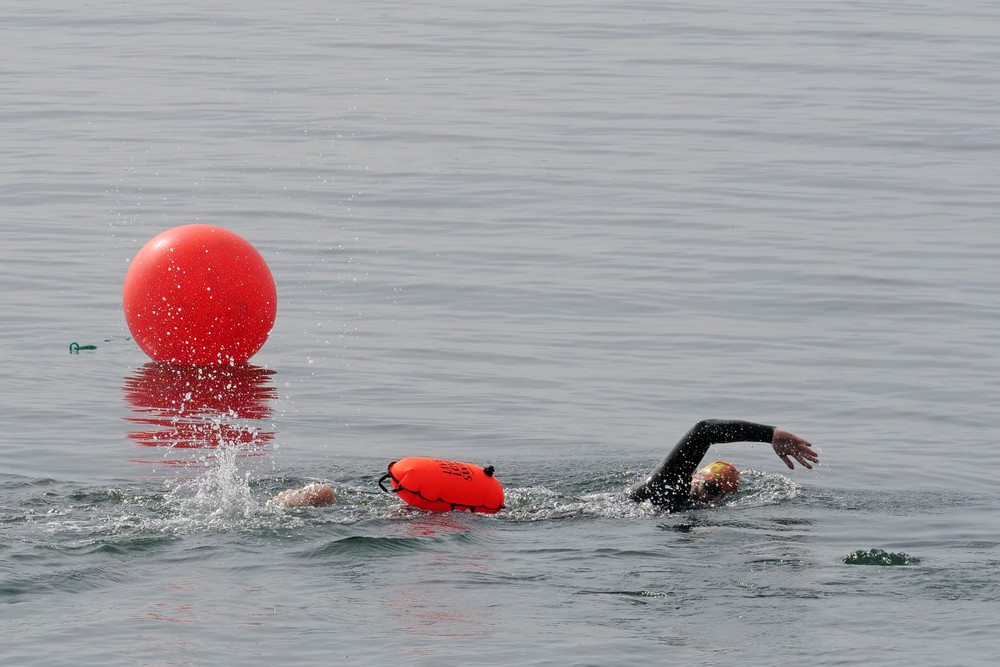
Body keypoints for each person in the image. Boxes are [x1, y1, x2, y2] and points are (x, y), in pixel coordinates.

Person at [272, 419, 819, 510]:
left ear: (702, 485)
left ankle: (324, 497)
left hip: (553, 508)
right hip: (552, 519)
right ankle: (329, 502)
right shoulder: (664, 503)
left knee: (409, 509)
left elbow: (704, 431)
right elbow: (703, 435)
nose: (695, 473)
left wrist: (770, 433)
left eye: (703, 474)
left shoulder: (657, 493)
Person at [628, 419, 818, 511]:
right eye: (711, 487)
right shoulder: (665, 485)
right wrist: (770, 435)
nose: (714, 498)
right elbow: (704, 431)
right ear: (695, 477)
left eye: (723, 495)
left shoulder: (698, 509)